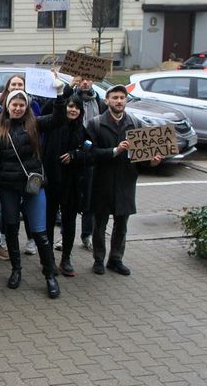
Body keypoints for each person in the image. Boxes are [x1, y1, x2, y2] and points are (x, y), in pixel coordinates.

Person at [0, 82, 66, 299]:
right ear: (7, 106)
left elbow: (59, 119)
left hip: (33, 187)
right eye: (14, 104)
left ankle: (49, 275)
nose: (18, 108)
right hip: (8, 188)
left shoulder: (35, 125)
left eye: (22, 104)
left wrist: (59, 93)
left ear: (27, 107)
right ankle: (16, 270)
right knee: (11, 230)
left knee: (40, 233)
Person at [86, 85, 162, 276]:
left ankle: (116, 259)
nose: (119, 101)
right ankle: (98, 259)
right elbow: (90, 154)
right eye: (115, 98)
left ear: (126, 100)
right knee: (100, 224)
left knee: (122, 224)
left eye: (122, 98)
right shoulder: (95, 124)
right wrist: (114, 151)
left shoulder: (135, 123)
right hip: (101, 181)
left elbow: (142, 156)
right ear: (107, 101)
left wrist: (152, 162)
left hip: (125, 181)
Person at [42, 95, 94, 277]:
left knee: (69, 222)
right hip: (51, 182)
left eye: (76, 107)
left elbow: (90, 154)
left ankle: (66, 258)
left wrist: (75, 155)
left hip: (72, 185)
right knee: (48, 222)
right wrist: (63, 92)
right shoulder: (53, 124)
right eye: (70, 106)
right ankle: (48, 259)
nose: (73, 110)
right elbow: (47, 107)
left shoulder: (82, 130)